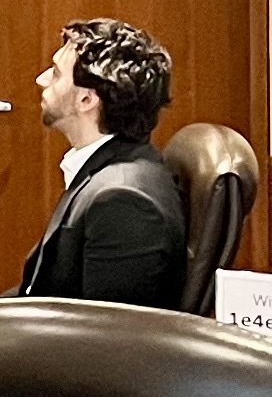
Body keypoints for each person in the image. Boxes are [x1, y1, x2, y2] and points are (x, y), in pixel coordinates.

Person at [15, 16, 185, 308]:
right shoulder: (107, 170)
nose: (41, 80)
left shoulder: (124, 201)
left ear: (86, 100)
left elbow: (110, 338)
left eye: (55, 74)